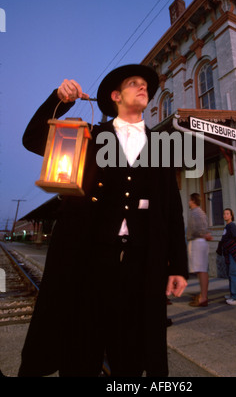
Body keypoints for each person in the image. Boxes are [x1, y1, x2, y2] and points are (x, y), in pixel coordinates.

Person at [18, 64, 188, 377]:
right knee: (81, 351)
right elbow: (32, 139)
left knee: (132, 357)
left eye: (145, 85)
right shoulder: (88, 136)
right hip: (89, 264)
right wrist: (59, 100)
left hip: (140, 267)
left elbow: (172, 211)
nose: (142, 88)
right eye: (133, 83)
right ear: (115, 96)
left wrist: (177, 266)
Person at [186, 193, 210, 307]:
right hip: (200, 242)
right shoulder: (201, 212)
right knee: (201, 270)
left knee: (201, 270)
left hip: (197, 242)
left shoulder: (195, 213)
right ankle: (202, 295)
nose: (188, 202)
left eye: (189, 200)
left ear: (192, 201)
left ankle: (203, 298)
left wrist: (204, 235)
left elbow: (198, 230)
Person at [219, 208, 236, 306]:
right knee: (231, 274)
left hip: (233, 253)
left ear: (231, 215)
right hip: (228, 253)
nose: (225, 215)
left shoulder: (232, 226)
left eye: (227, 214)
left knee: (234, 274)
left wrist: (231, 245)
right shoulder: (227, 227)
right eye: (224, 213)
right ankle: (235, 295)